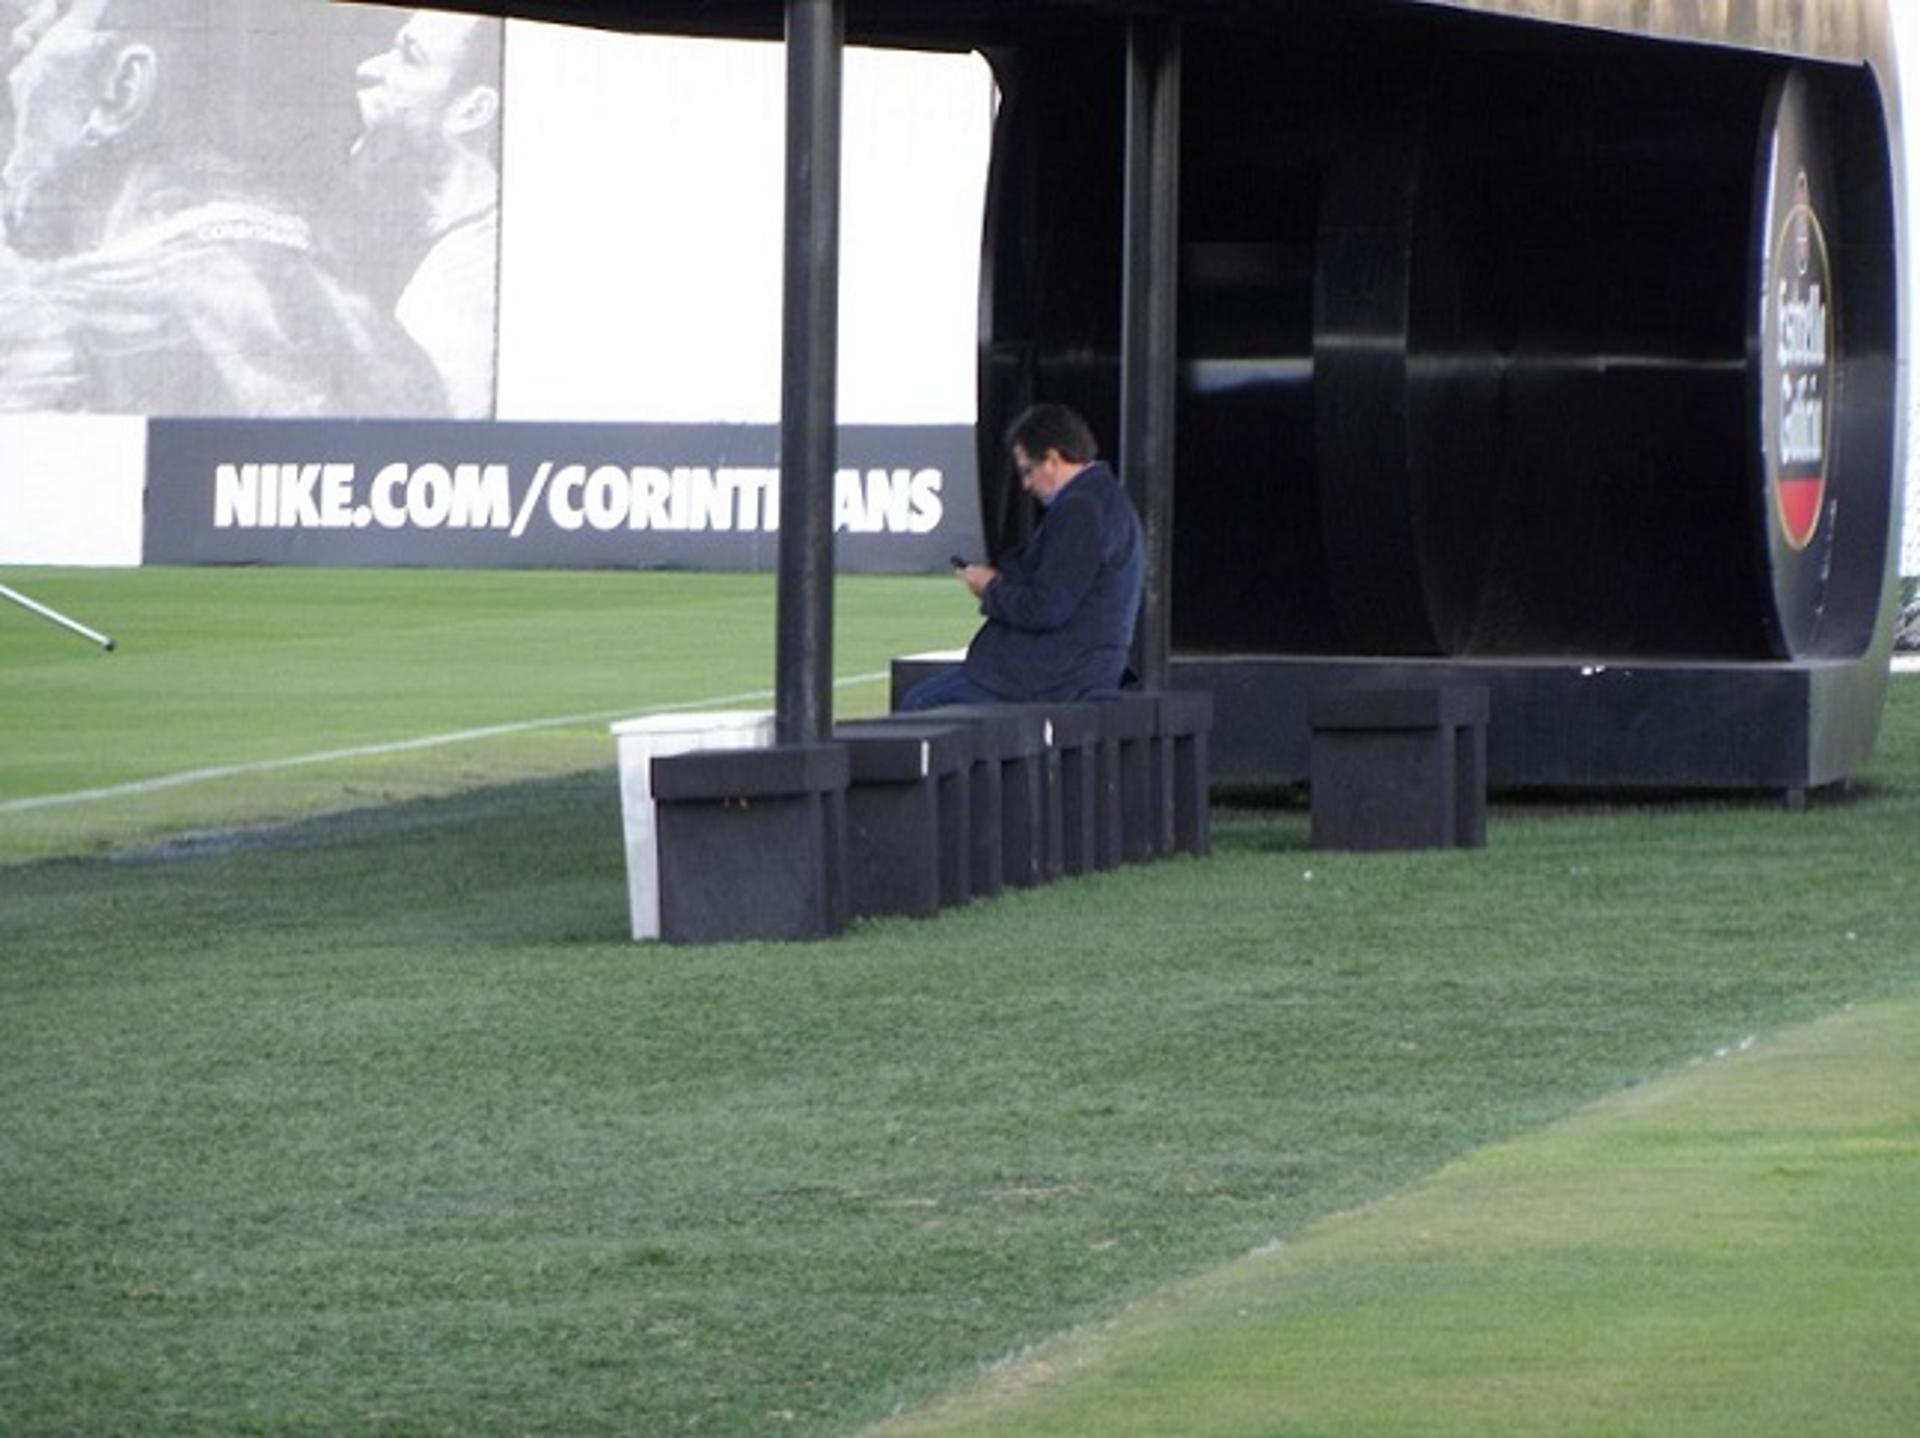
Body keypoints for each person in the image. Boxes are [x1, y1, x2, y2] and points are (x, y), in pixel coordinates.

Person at [0, 0, 443, 415]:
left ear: (122, 90)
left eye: (56, 12)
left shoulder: (45, 335)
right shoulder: (387, 347)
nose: (19, 47)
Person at [902, 403, 1144, 709]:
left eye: (1028, 470)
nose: (1026, 485)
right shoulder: (1104, 500)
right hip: (1075, 670)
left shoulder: (1081, 509)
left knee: (919, 703)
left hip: (1054, 677)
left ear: (1053, 459)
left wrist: (990, 588)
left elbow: (1046, 608)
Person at [349, 9, 501, 419]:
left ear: (472, 110)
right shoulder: (412, 225)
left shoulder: (465, 291)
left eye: (410, 58)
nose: (369, 68)